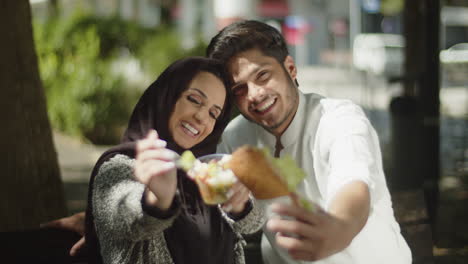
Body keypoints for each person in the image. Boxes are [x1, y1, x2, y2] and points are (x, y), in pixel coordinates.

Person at [206, 20, 412, 264]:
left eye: (263, 75)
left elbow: (353, 184)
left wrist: (339, 227)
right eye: (239, 89)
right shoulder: (235, 138)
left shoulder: (339, 120)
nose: (254, 94)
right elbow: (227, 215)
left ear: (290, 69)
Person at [48, 57, 265, 264]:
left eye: (213, 113)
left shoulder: (204, 173)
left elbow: (252, 222)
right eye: (194, 100)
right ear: (167, 96)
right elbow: (129, 218)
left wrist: (241, 202)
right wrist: (157, 200)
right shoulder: (119, 167)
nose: (202, 117)